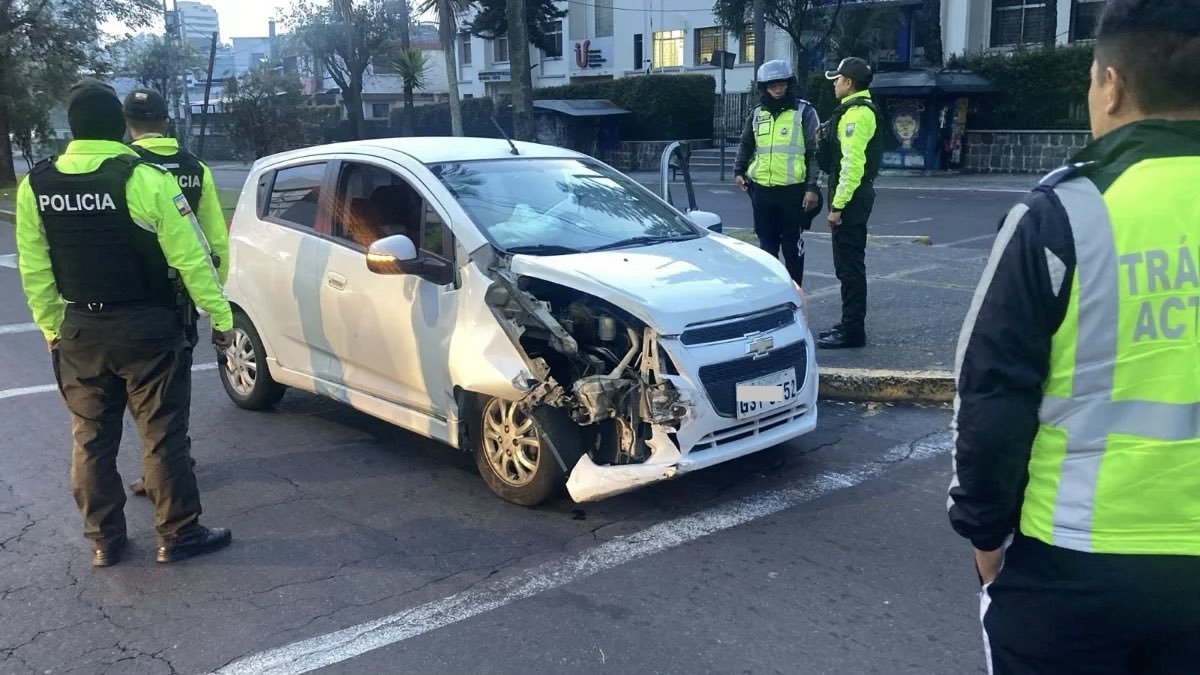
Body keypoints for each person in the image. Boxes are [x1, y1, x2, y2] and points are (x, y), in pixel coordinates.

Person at [948, 1, 1200, 672]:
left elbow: (991, 395)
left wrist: (985, 534)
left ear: (1112, 85)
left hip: (1071, 565)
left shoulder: (1064, 212)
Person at [14, 79, 235, 567]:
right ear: (120, 128)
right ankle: (178, 534)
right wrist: (220, 318)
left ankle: (104, 541)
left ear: (71, 128)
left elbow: (36, 268)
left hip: (79, 332)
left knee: (90, 439)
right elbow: (194, 258)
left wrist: (53, 329)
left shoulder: (37, 185)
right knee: (161, 433)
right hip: (148, 329)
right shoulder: (145, 179)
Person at [122, 88, 229, 499]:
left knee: (142, 395)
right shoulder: (195, 167)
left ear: (129, 126)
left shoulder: (124, 169)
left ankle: (162, 466)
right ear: (167, 121)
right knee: (175, 387)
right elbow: (215, 244)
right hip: (182, 297)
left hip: (134, 297)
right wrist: (215, 302)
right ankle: (173, 459)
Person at [734, 59, 822, 289]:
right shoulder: (756, 113)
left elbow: (815, 152)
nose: (776, 88)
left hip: (793, 191)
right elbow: (746, 144)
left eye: (781, 83)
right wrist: (739, 170)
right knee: (767, 246)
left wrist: (812, 187)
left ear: (788, 84)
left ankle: (795, 294)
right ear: (764, 87)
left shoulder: (804, 111)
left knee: (792, 247)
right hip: (762, 190)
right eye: (771, 84)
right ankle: (772, 293)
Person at [817, 57, 882, 349]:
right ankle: (849, 324)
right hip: (853, 196)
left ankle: (853, 331)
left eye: (838, 79)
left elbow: (852, 165)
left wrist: (837, 206)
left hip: (852, 200)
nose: (834, 83)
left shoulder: (856, 114)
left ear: (849, 82)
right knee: (847, 267)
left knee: (850, 267)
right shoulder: (851, 111)